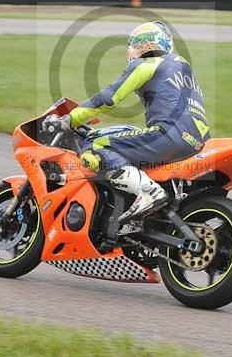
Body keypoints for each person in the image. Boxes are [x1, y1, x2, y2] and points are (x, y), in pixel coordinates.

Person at [49, 21, 210, 223]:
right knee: (131, 137)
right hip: (198, 141)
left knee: (96, 146)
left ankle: (148, 192)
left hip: (168, 135)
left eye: (138, 46)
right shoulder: (183, 67)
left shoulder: (147, 64)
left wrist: (70, 119)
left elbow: (109, 97)